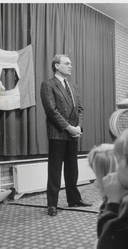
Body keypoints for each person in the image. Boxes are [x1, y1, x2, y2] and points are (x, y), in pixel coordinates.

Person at [40, 54, 92, 216]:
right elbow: (51, 111)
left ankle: (74, 199)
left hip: (73, 133)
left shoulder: (73, 86)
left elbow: (80, 109)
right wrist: (69, 127)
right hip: (58, 133)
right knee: (55, 170)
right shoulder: (48, 85)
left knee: (72, 169)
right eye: (67, 63)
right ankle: (52, 204)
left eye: (71, 63)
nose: (70, 66)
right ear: (56, 65)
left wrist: (78, 127)